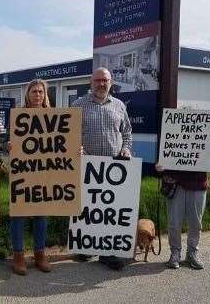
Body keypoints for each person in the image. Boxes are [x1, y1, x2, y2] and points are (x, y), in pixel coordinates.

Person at [72, 67, 133, 270]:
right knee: (88, 208)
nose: (101, 83)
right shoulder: (78, 105)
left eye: (105, 80)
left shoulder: (119, 106)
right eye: (97, 80)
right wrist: (76, 148)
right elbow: (71, 135)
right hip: (87, 166)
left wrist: (125, 149)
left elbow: (127, 133)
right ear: (91, 82)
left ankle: (109, 251)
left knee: (109, 210)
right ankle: (86, 246)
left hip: (114, 167)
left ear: (111, 82)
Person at [9, 79, 52, 276]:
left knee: (41, 213)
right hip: (23, 171)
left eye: (40, 92)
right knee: (19, 213)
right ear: (28, 94)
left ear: (45, 95)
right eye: (34, 91)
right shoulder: (18, 116)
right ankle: (18, 255)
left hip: (44, 172)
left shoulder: (52, 117)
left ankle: (40, 253)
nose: (37, 95)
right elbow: (8, 142)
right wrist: (8, 145)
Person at [156, 142, 210, 270]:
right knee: (174, 223)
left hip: (198, 183)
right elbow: (162, 156)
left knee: (196, 223)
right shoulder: (172, 127)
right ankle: (175, 253)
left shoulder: (209, 129)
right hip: (175, 183)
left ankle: (192, 253)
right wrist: (160, 167)